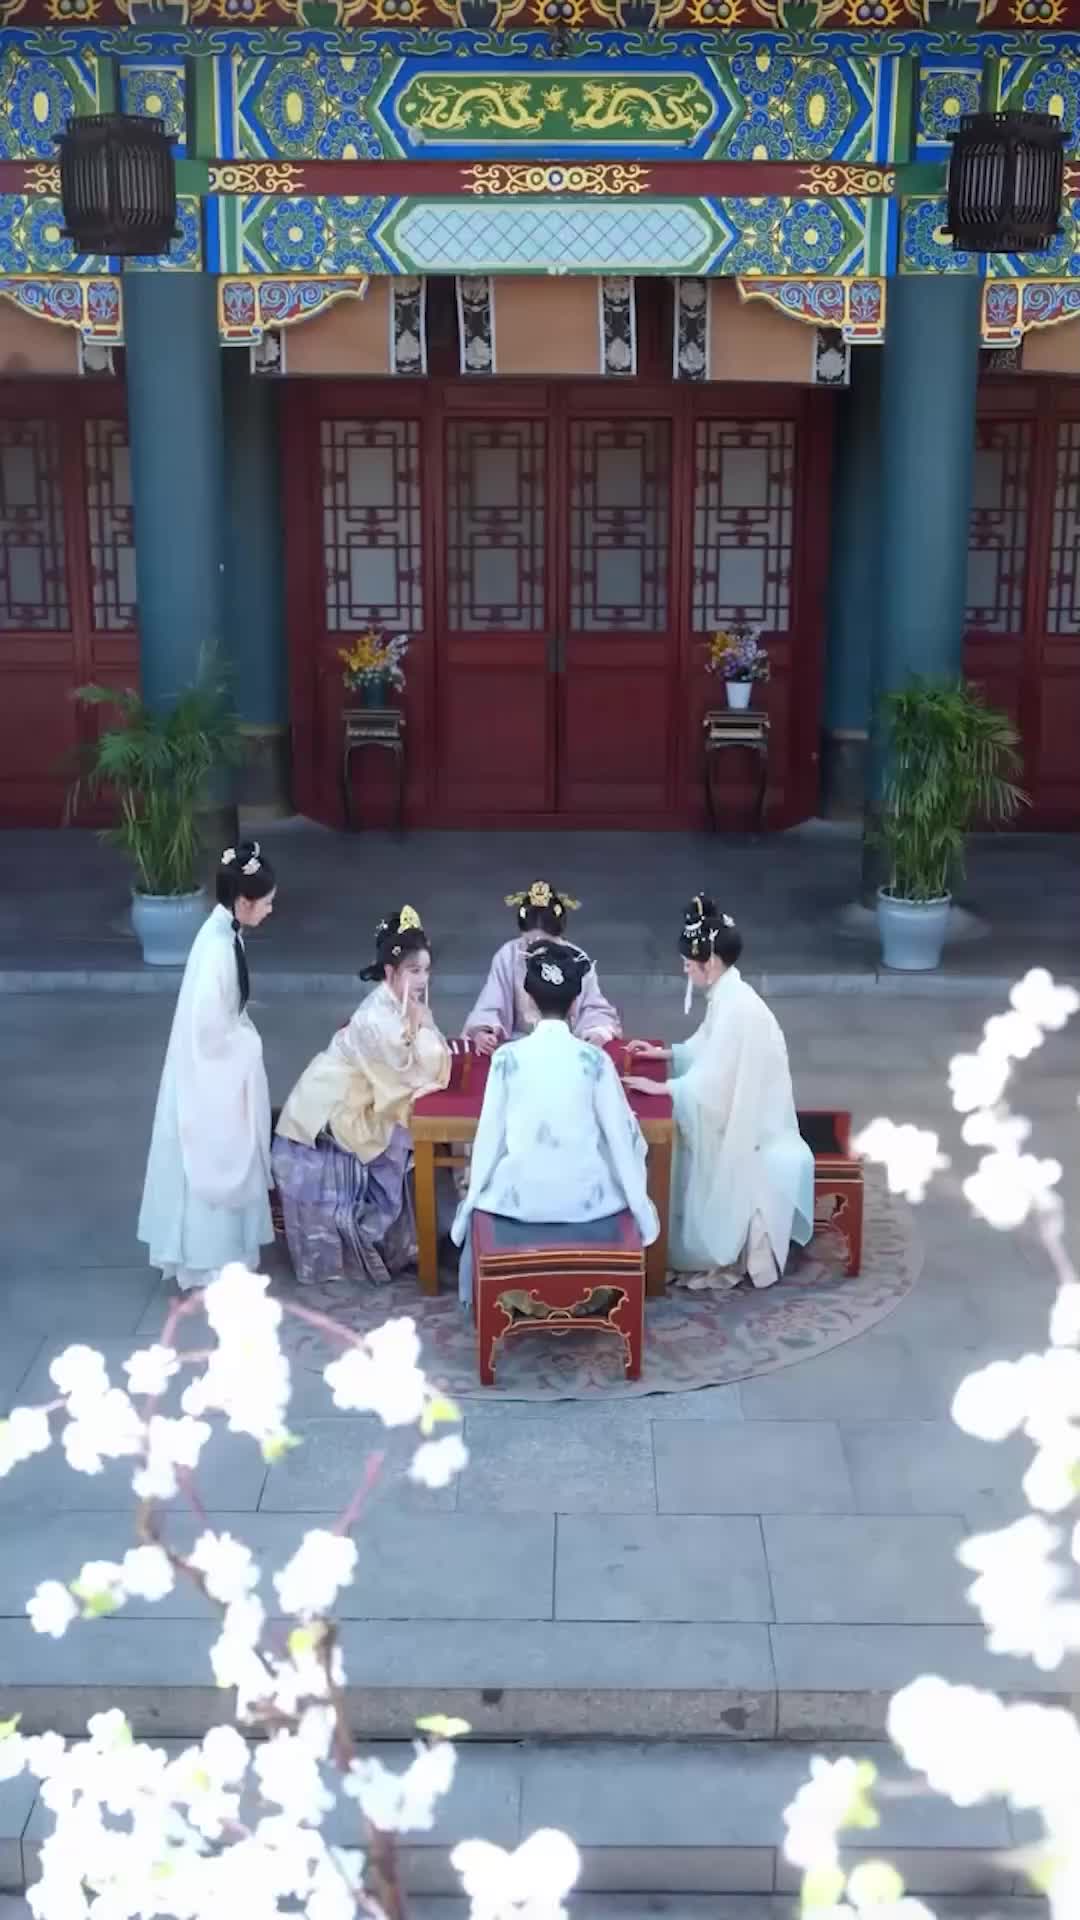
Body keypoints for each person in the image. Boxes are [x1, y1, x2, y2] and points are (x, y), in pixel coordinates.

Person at [452, 940, 659, 1304]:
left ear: (528, 1001)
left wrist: (470, 1203)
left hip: (519, 1199)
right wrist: (640, 1208)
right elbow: (619, 1139)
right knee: (618, 1149)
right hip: (587, 1201)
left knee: (492, 1178)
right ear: (576, 1003)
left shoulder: (506, 1059)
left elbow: (489, 1140)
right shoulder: (594, 1060)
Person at [623, 896, 813, 1290]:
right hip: (744, 1106)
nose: (684, 968)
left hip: (756, 1126)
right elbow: (707, 1050)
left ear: (708, 963)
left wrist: (664, 1086)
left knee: (666, 1128)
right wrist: (668, 1054)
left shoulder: (738, 1007)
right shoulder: (729, 995)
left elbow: (714, 1085)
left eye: (688, 963)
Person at [272, 906, 451, 1287]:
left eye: (426, 970)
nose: (422, 979)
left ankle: (429, 1237)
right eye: (414, 971)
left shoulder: (401, 1003)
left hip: (366, 1093)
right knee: (407, 1137)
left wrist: (422, 1028)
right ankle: (414, 1244)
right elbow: (421, 1071)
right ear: (390, 971)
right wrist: (423, 1029)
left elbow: (426, 1060)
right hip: (334, 1106)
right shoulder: (377, 1017)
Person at [138, 841, 277, 1292]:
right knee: (212, 1157)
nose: (270, 909)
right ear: (244, 902)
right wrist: (247, 1044)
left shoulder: (224, 933)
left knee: (224, 1154)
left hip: (220, 1063)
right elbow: (208, 1032)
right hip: (210, 1069)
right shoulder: (218, 947)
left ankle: (225, 1256)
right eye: (267, 902)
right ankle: (209, 1261)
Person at [463, 881, 620, 1056]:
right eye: (530, 941)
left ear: (558, 935)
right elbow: (491, 1002)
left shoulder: (576, 958)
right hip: (518, 1046)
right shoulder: (508, 955)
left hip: (566, 1046)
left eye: (546, 942)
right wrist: (483, 1031)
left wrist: (596, 1032)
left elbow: (593, 1008)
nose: (537, 948)